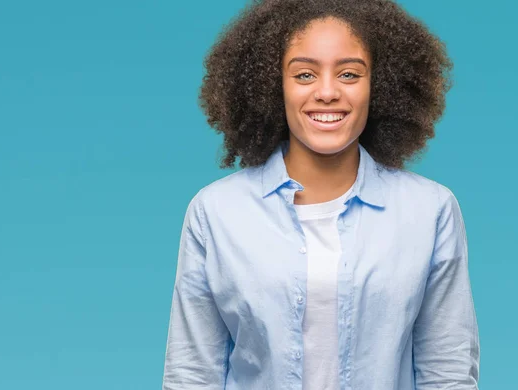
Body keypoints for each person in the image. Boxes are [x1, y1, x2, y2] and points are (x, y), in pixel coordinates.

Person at [162, 0, 480, 389]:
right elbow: (192, 375)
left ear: (379, 86)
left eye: (349, 74)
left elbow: (447, 372)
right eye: (304, 75)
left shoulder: (430, 211)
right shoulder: (215, 212)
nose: (327, 92)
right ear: (271, 85)